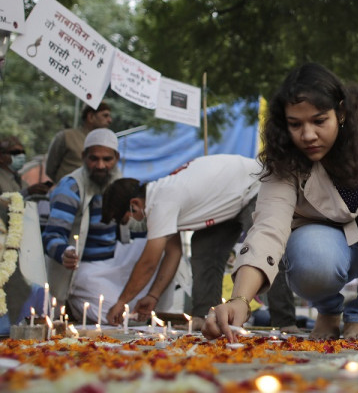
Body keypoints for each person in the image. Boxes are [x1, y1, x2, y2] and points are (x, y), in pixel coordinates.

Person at [202, 63, 358, 342]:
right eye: (295, 124)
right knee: (312, 258)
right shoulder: (284, 162)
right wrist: (241, 300)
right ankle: (329, 311)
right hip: (323, 249)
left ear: (341, 112)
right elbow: (268, 230)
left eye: (319, 121)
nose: (307, 135)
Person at [101, 154, 263, 327]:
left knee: (263, 250)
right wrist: (153, 296)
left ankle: (284, 321)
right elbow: (173, 253)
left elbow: (148, 263)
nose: (130, 225)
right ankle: (203, 317)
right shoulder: (162, 199)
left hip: (254, 186)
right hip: (232, 199)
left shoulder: (160, 202)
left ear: (134, 204)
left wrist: (121, 303)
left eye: (125, 220)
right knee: (204, 248)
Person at [42, 128, 151, 322]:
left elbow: (134, 230)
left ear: (116, 158)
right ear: (84, 157)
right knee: (111, 315)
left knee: (162, 250)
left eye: (107, 159)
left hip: (115, 260)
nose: (100, 165)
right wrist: (64, 252)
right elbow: (51, 236)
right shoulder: (71, 186)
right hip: (85, 268)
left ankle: (150, 309)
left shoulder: (120, 183)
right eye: (94, 159)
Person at [46, 102, 112, 184]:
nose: (110, 120)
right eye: (105, 115)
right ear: (90, 117)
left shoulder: (106, 143)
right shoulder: (66, 137)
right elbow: (50, 169)